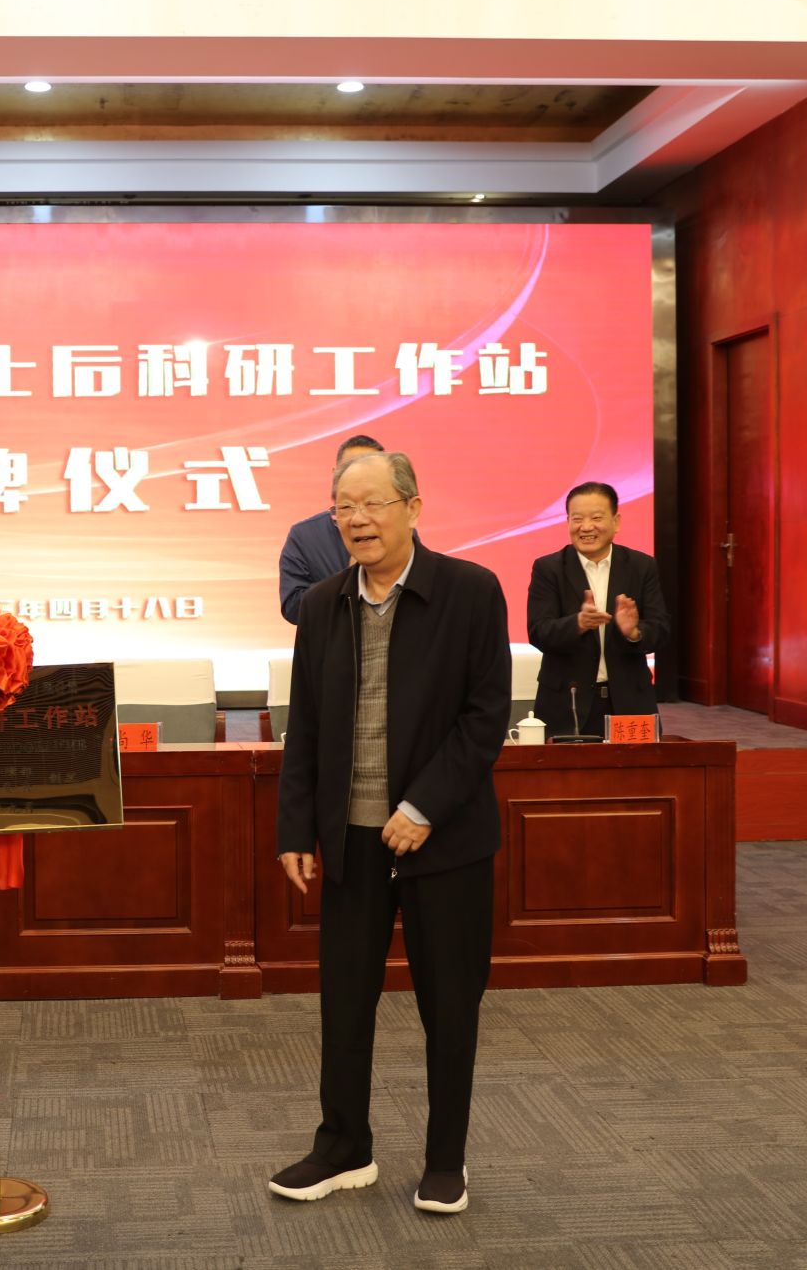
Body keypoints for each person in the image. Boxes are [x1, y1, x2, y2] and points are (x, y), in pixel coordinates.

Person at [271, 451, 511, 1217]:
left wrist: (424, 805)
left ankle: (445, 1160)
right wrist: (296, 827)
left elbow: (486, 716)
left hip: (445, 841)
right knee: (344, 1001)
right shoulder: (323, 605)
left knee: (450, 1003)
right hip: (351, 844)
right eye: (343, 506)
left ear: (413, 506)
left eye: (372, 503)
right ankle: (344, 1146)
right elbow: (306, 728)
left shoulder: (471, 591)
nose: (357, 519)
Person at [525, 481, 670, 739]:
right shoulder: (548, 569)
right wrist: (578, 623)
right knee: (564, 767)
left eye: (596, 518)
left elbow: (660, 630)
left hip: (629, 702)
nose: (586, 527)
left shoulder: (641, 566)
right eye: (577, 519)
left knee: (635, 766)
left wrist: (634, 632)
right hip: (567, 702)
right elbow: (538, 632)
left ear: (616, 521)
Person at [278, 434, 385, 624]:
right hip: (331, 641)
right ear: (336, 475)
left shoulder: (400, 530)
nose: (360, 478)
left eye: (370, 471)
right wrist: (347, 580)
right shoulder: (304, 536)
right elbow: (293, 608)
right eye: (352, 469)